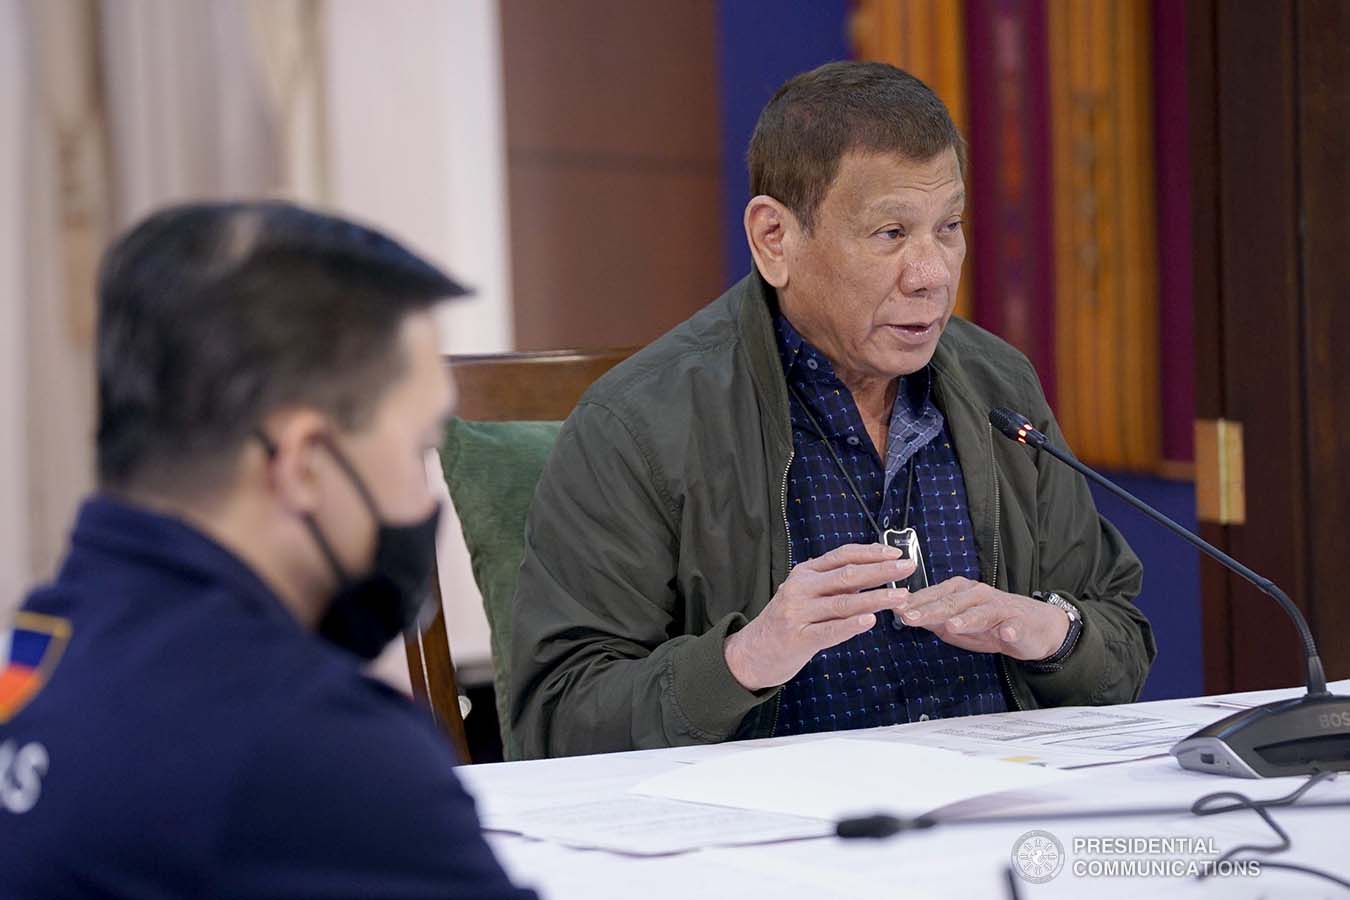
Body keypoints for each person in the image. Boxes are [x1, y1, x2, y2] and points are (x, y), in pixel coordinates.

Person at [510, 62, 1156, 759]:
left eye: (950, 227)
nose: (933, 274)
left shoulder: (1000, 385)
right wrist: (745, 659)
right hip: (771, 839)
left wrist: (1043, 633)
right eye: (889, 234)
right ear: (774, 240)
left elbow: (1118, 639)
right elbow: (557, 719)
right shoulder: (639, 424)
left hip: (992, 811)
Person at [0, 202, 536, 899]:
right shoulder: (320, 753)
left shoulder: (36, 652)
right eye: (418, 449)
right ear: (304, 463)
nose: (420, 497)